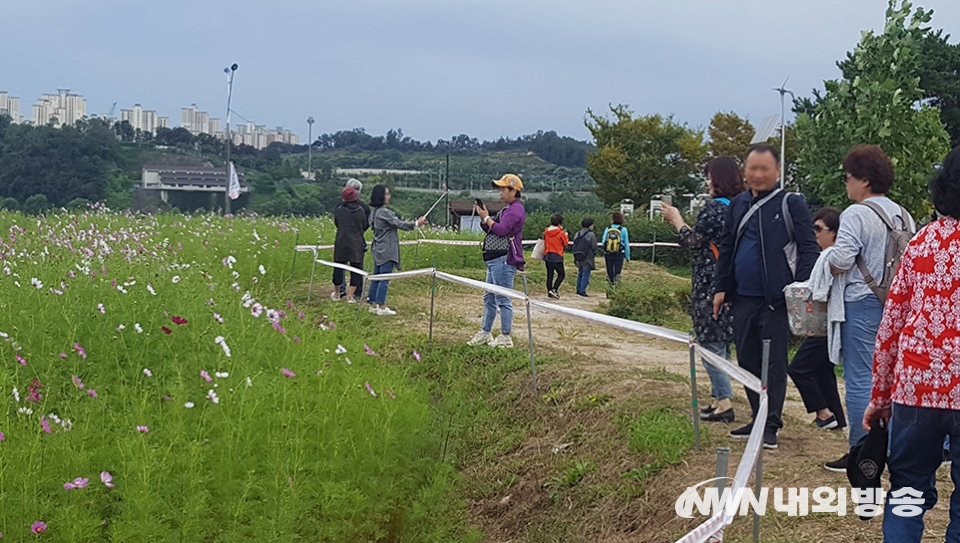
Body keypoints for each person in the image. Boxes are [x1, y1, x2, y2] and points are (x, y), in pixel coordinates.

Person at [863, 146, 960, 542]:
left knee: (907, 492)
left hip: (916, 388)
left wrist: (879, 396)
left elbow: (892, 327)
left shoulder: (922, 243)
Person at [713, 143, 820, 450]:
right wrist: (721, 287)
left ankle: (771, 424)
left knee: (772, 364)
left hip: (776, 300)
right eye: (753, 169)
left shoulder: (791, 203)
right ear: (745, 171)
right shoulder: (737, 204)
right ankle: (757, 416)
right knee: (746, 359)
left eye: (765, 169)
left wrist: (800, 288)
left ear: (777, 171)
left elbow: (809, 247)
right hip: (742, 297)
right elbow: (727, 248)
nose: (758, 174)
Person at [823, 144, 916, 471]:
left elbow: (842, 259)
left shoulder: (856, 214)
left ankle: (860, 453)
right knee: (891, 378)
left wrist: (828, 261)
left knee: (861, 379)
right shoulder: (904, 213)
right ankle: (889, 447)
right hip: (896, 306)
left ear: (862, 179)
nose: (846, 183)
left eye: (848, 177)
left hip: (861, 303)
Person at [663, 156, 744, 423]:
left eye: (709, 177)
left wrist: (677, 220)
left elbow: (693, 241)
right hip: (736, 283)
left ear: (717, 179)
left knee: (709, 343)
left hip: (710, 283)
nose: (707, 182)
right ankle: (718, 395)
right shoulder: (741, 206)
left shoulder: (714, 209)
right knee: (722, 342)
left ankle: (724, 402)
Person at [788, 207, 847, 438]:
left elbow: (820, 291)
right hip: (826, 325)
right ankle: (837, 419)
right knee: (823, 371)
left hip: (825, 325)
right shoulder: (827, 257)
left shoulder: (831, 257)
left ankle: (824, 413)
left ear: (833, 232)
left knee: (798, 368)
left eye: (819, 229)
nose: (815, 233)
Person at [467, 174, 526, 348]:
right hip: (495, 258)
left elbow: (501, 230)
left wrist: (487, 218)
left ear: (513, 190)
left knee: (502, 298)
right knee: (489, 297)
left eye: (503, 189)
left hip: (504, 258)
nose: (500, 192)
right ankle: (485, 332)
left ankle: (505, 336)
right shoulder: (507, 209)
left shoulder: (515, 210)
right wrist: (483, 216)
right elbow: (490, 228)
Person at [366, 185, 426, 316]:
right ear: (381, 196)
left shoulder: (374, 212)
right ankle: (381, 306)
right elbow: (398, 223)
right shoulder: (384, 212)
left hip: (378, 249)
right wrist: (416, 224)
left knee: (376, 277)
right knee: (385, 278)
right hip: (387, 250)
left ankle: (371, 303)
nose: (389, 196)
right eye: (386, 194)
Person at [330, 186, 369, 303]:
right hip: (356, 242)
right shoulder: (361, 211)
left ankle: (337, 293)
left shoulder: (339, 210)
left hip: (341, 241)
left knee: (338, 267)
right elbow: (364, 225)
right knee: (356, 269)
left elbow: (337, 223)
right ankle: (350, 296)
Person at [543, 213, 569, 299]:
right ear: (560, 223)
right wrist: (566, 235)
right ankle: (554, 289)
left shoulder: (546, 231)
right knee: (561, 274)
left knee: (550, 274)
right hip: (557, 255)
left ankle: (549, 291)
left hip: (548, 254)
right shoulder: (561, 232)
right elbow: (565, 243)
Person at [572, 218, 598, 297]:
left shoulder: (578, 233)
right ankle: (582, 290)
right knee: (586, 273)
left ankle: (578, 289)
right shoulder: (591, 235)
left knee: (580, 273)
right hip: (587, 257)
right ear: (590, 225)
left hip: (578, 256)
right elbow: (594, 246)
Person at [602, 212, 630, 283]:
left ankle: (610, 286)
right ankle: (616, 287)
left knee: (609, 272)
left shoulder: (608, 228)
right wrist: (627, 256)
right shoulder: (623, 229)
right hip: (619, 253)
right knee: (617, 272)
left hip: (608, 253)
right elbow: (626, 243)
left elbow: (603, 241)